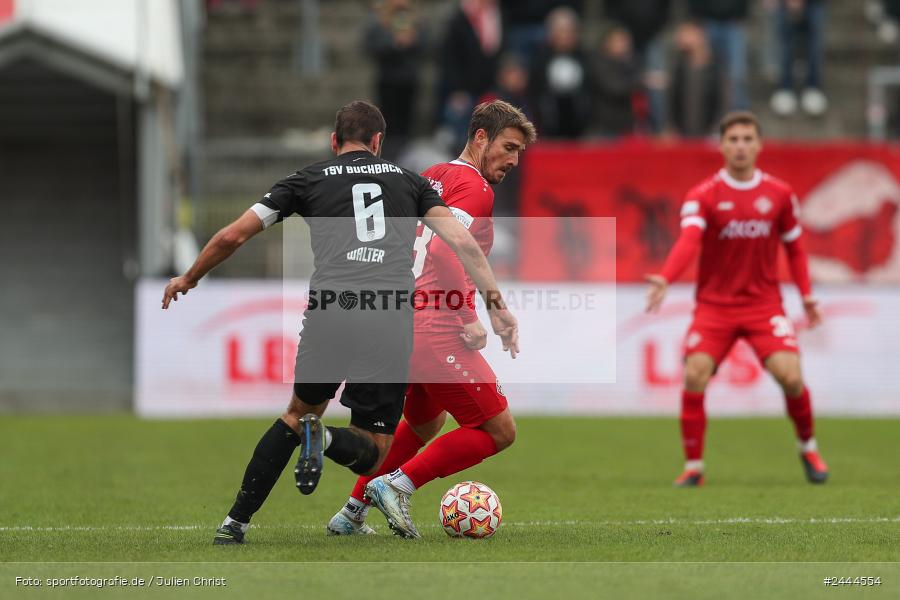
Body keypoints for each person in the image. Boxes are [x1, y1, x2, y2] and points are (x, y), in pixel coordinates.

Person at [161, 100, 519, 544]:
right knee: (373, 453)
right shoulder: (408, 181)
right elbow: (460, 244)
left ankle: (235, 523)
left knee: (294, 415)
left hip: (329, 310)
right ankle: (327, 442)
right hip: (388, 318)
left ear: (334, 142)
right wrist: (494, 305)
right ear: (378, 142)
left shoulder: (307, 179)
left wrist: (189, 277)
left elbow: (233, 233)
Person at [326, 100, 537, 538]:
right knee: (498, 430)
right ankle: (396, 486)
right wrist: (468, 315)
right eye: (510, 147)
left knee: (425, 423)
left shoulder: (432, 175)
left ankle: (351, 514)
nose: (514, 160)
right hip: (435, 325)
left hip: (403, 319)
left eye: (520, 152)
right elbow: (444, 250)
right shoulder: (475, 186)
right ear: (481, 137)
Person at [645, 111, 829, 487]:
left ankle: (808, 447)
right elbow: (689, 239)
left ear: (759, 145)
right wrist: (666, 277)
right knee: (695, 374)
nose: (741, 146)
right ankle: (694, 467)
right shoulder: (703, 196)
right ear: (722, 146)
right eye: (734, 139)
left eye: (748, 139)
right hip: (715, 306)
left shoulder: (780, 195)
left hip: (764, 305)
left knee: (791, 377)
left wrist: (806, 295)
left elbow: (795, 249)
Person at [363, 0, 427, 159]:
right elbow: (371, 46)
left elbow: (427, 45)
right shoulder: (379, 20)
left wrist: (413, 41)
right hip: (388, 80)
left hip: (408, 80)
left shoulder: (417, 20)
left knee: (406, 125)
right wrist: (394, 43)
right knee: (386, 123)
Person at [528, 6, 592, 139]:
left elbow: (591, 92)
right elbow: (535, 93)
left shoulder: (585, 58)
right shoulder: (540, 59)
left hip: (580, 127)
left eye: (570, 31)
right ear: (551, 34)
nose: (565, 36)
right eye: (561, 31)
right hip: (549, 126)